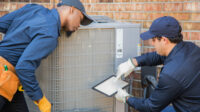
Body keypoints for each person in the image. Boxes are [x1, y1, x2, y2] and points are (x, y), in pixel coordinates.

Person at [0, 0, 93, 112]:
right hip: (3, 79)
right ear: (71, 9)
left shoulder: (33, 9)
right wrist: (40, 99)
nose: (79, 25)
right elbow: (24, 67)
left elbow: (2, 23)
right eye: (80, 19)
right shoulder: (50, 33)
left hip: (11, 81)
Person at [115, 16, 200, 112]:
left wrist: (126, 98)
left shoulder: (170, 75)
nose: (152, 43)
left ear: (164, 40)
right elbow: (159, 56)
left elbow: (150, 107)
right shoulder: (190, 48)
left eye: (154, 40)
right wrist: (133, 62)